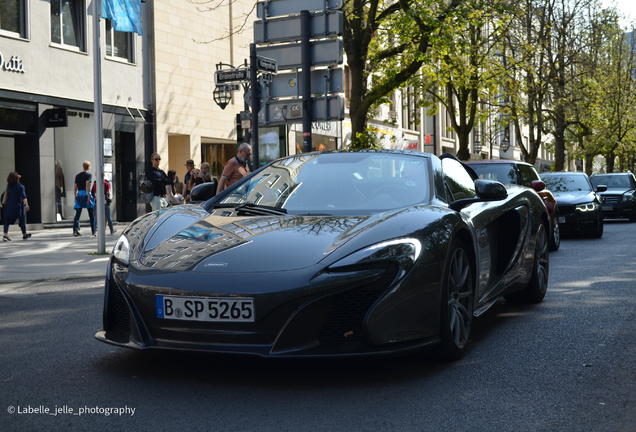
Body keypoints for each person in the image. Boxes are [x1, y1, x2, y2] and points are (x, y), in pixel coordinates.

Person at [2, 172, 31, 241]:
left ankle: (5, 235)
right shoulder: (21, 187)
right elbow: (24, 197)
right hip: (18, 207)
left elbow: (13, 179)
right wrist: (26, 204)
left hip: (8, 206)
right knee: (22, 220)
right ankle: (24, 234)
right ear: (16, 179)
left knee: (6, 221)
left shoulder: (9, 186)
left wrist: (16, 177)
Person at [73, 161, 95, 237]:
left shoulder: (77, 176)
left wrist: (75, 197)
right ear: (89, 167)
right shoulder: (89, 175)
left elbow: (75, 188)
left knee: (77, 215)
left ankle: (75, 230)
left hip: (79, 195)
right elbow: (87, 186)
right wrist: (89, 196)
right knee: (91, 214)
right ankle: (94, 231)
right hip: (86, 194)